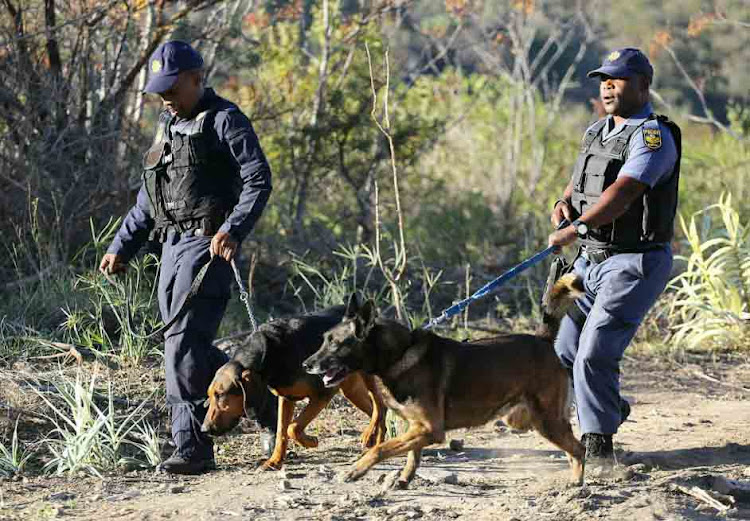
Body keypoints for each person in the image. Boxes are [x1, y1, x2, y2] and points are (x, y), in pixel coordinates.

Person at [99, 40, 277, 474]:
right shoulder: (168, 126)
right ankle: (266, 401)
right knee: (187, 347)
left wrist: (232, 229)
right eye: (160, 91)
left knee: (182, 348)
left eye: (173, 89)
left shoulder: (225, 120)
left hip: (208, 246)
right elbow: (148, 199)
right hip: (171, 248)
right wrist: (122, 245)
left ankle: (193, 448)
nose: (166, 98)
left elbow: (258, 179)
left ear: (197, 80)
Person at [547, 48, 681, 469]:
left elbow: (623, 193)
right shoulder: (597, 130)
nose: (607, 85)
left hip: (633, 262)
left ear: (643, 84)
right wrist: (561, 206)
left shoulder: (654, 137)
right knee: (561, 347)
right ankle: (610, 408)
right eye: (603, 78)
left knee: (594, 351)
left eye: (618, 78)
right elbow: (576, 186)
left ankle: (599, 448)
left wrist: (577, 229)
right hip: (589, 261)